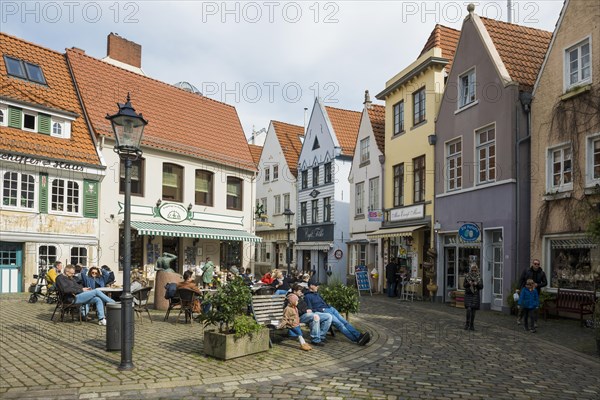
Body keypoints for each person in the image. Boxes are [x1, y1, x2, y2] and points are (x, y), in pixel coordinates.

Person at [304, 282, 371, 345]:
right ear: (311, 286)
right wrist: (322, 309)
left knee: (345, 322)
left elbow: (323, 302)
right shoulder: (307, 296)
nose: (317, 286)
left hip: (330, 309)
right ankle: (356, 339)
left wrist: (329, 306)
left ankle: (358, 335)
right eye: (316, 285)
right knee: (340, 325)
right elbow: (310, 310)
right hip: (324, 312)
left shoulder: (317, 294)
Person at [517, 259, 547, 325]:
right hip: (526, 290)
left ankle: (534, 322)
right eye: (535, 264)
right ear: (532, 264)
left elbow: (545, 283)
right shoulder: (527, 270)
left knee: (535, 307)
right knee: (523, 306)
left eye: (538, 264)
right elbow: (521, 279)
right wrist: (518, 288)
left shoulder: (542, 273)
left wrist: (538, 285)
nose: (536, 265)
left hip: (535, 291)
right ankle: (519, 318)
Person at [463, 264, 483, 331]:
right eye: (472, 270)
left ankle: (472, 325)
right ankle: (467, 324)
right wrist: (469, 283)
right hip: (468, 294)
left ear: (477, 270)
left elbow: (481, 287)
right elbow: (464, 285)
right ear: (470, 270)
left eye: (475, 270)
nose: (474, 271)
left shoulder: (479, 277)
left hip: (475, 295)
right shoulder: (467, 276)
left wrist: (477, 284)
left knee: (473, 311)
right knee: (468, 309)